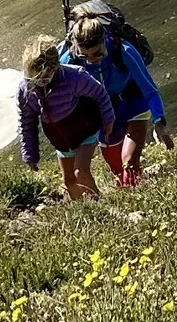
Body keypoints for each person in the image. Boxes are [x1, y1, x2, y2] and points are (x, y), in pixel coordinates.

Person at [62, 7, 173, 190]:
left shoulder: (124, 50)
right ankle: (132, 192)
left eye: (98, 53)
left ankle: (139, 199)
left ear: (105, 40)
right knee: (117, 170)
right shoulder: (69, 60)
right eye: (85, 56)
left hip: (133, 103)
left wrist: (159, 122)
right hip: (102, 115)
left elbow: (150, 90)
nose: (93, 60)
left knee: (128, 162)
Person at [16, 34, 117, 201]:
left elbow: (100, 93)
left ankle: (101, 206)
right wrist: (30, 155)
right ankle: (83, 211)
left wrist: (108, 120)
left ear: (56, 68)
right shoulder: (25, 90)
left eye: (45, 77)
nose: (41, 82)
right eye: (35, 78)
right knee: (69, 181)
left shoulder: (73, 77)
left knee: (80, 172)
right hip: (62, 140)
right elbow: (26, 122)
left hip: (85, 131)